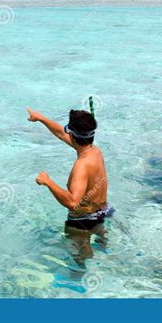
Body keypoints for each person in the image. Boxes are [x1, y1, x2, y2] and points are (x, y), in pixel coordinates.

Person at [27, 107, 114, 267]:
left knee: (80, 262)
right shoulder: (95, 151)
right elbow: (61, 133)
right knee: (104, 247)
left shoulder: (81, 166)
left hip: (82, 221)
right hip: (103, 212)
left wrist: (48, 182)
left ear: (73, 135)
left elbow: (73, 202)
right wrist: (41, 118)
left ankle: (79, 282)